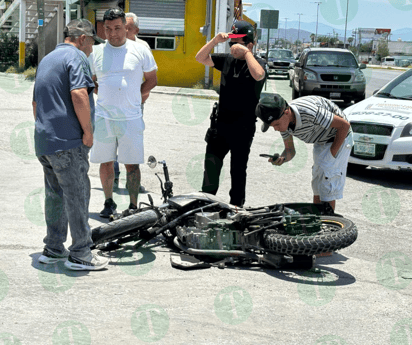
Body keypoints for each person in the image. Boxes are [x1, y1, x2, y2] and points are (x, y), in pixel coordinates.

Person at [33, 19, 109, 270]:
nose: (91, 50)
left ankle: (53, 248)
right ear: (83, 39)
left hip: (46, 142)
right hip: (68, 142)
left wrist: (49, 130)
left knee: (55, 195)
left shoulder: (48, 59)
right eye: (91, 44)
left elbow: (36, 104)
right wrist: (87, 131)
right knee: (77, 194)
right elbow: (79, 94)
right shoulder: (77, 58)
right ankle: (81, 253)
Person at [88, 8, 158, 218]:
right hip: (104, 118)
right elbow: (91, 81)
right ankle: (109, 202)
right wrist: (104, 94)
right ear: (103, 29)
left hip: (131, 118)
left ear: (125, 28)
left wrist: (137, 96)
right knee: (106, 162)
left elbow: (152, 79)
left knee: (132, 164)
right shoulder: (96, 52)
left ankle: (134, 206)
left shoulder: (140, 50)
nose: (113, 33)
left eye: (117, 28)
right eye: (108, 29)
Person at [195, 20, 266, 207]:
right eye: (231, 42)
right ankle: (206, 205)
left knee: (238, 170)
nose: (233, 47)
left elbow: (259, 75)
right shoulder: (226, 59)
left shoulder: (257, 63)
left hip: (242, 128)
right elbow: (200, 58)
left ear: (250, 44)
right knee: (211, 169)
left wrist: (248, 53)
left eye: (238, 43)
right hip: (220, 126)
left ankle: (236, 208)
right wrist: (214, 41)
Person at [256, 94, 354, 210]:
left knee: (328, 183)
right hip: (321, 140)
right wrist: (282, 159)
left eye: (276, 124)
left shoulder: (310, 112)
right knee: (317, 185)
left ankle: (330, 221)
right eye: (272, 126)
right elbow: (290, 150)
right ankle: (318, 219)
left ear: (287, 112)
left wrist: (332, 154)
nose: (276, 129)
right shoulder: (284, 124)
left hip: (339, 138)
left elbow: (344, 126)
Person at [111, 12, 153, 191]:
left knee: (132, 142)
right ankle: (113, 178)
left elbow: (150, 77)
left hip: (135, 105)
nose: (124, 31)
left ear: (136, 29)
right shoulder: (111, 47)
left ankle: (132, 181)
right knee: (112, 141)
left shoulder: (143, 47)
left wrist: (141, 96)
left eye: (127, 28)